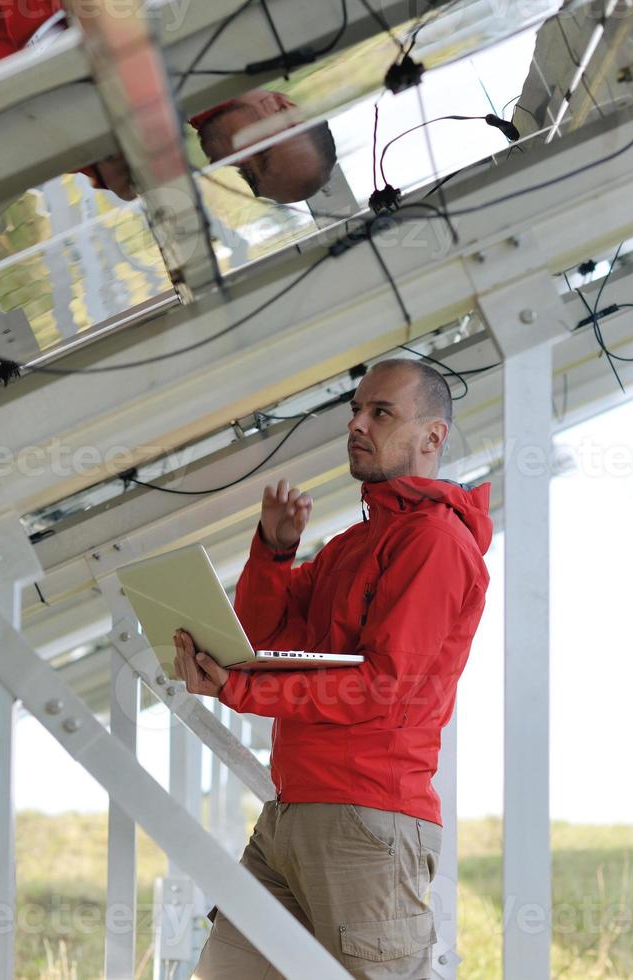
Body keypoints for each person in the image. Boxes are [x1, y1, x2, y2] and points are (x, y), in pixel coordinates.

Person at [172, 358, 494, 978]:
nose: (357, 424)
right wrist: (273, 551)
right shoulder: (353, 544)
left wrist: (237, 688)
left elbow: (382, 688)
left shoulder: (434, 544)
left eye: (381, 412)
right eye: (355, 409)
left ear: (433, 437)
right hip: (291, 813)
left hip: (366, 824)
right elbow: (267, 637)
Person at [0, 1, 338, 203]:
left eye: (247, 175)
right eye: (261, 155)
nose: (238, 162)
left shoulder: (142, 138)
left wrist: (110, 158)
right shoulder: (229, 19)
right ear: (283, 108)